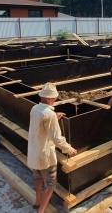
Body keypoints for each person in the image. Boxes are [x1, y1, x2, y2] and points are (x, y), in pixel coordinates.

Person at [27, 82, 77, 213]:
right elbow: (57, 139)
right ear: (49, 98)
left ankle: (37, 202)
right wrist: (70, 149)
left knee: (37, 178)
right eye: (54, 97)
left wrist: (55, 117)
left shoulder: (34, 109)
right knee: (50, 185)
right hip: (45, 156)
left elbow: (41, 123)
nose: (55, 99)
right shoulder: (49, 115)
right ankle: (41, 211)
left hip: (33, 153)